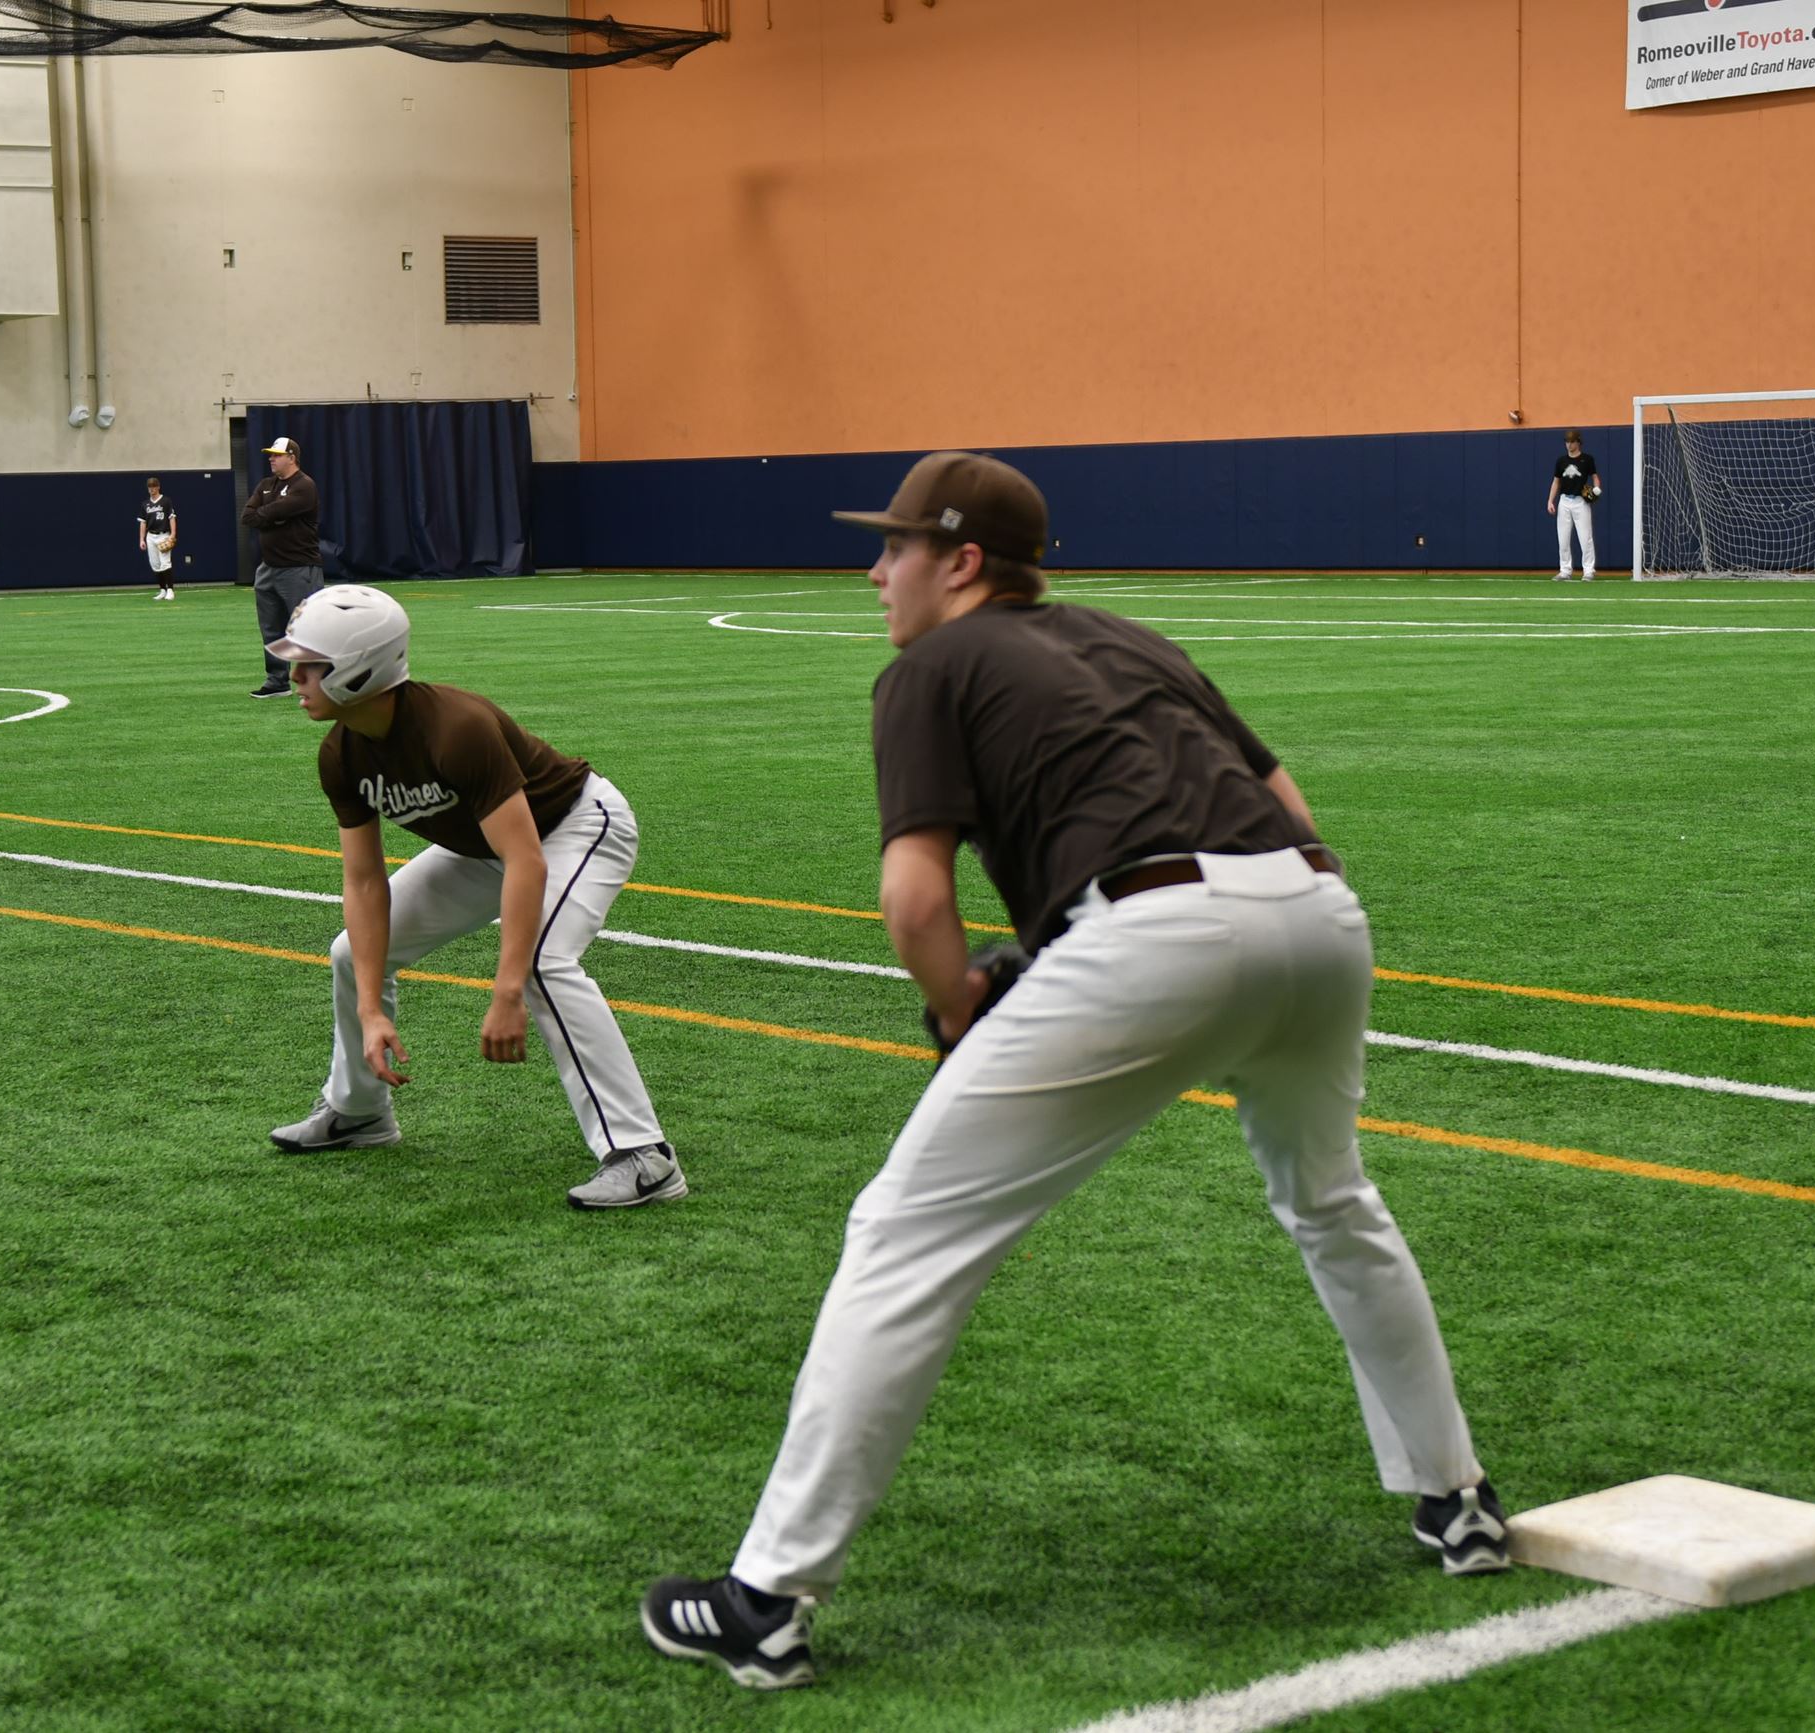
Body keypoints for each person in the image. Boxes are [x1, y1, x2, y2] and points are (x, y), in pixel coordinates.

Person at [639, 452, 1504, 1692]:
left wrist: (956, 1016)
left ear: (963, 561)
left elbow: (914, 896)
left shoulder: (928, 666)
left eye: (895, 546)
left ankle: (764, 1596)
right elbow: (1283, 797)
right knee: (1331, 1202)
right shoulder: (1128, 635)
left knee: (903, 1231)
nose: (874, 568)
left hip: (1155, 934)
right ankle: (1455, 1498)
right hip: (1314, 909)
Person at [263, 583, 685, 1212]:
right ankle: (357, 1113)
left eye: (311, 664)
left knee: (543, 965)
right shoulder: (340, 754)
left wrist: (506, 989)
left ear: (360, 669)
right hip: (486, 849)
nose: (293, 675)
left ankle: (642, 1154)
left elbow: (526, 860)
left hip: (574, 827)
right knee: (353, 953)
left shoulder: (456, 728)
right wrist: (372, 1011)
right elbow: (364, 881)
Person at [242, 436, 325, 697]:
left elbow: (267, 513)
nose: (271, 458)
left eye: (276, 455)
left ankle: (321, 682)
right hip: (268, 568)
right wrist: (273, 516)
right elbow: (248, 516)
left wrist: (268, 515)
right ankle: (277, 681)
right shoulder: (266, 484)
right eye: (270, 454)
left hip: (299, 568)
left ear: (292, 457)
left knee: (309, 628)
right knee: (271, 628)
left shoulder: (305, 485)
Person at [1547, 429, 1600, 581]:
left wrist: (1596, 490)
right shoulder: (1561, 461)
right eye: (1567, 441)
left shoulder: (1587, 459)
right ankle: (1565, 570)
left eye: (1572, 441)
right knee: (1563, 537)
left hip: (1580, 502)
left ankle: (1588, 570)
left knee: (1585, 537)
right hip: (1564, 501)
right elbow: (1556, 481)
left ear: (1578, 442)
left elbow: (1595, 478)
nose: (1569, 444)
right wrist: (1550, 500)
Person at [140, 475, 178, 600]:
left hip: (163, 535)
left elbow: (171, 518)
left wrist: (172, 535)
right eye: (149, 487)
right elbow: (143, 522)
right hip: (150, 536)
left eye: (154, 486)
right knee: (155, 564)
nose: (151, 489)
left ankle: (170, 590)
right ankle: (162, 590)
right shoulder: (145, 504)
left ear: (158, 487)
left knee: (165, 563)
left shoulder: (166, 501)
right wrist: (142, 539)